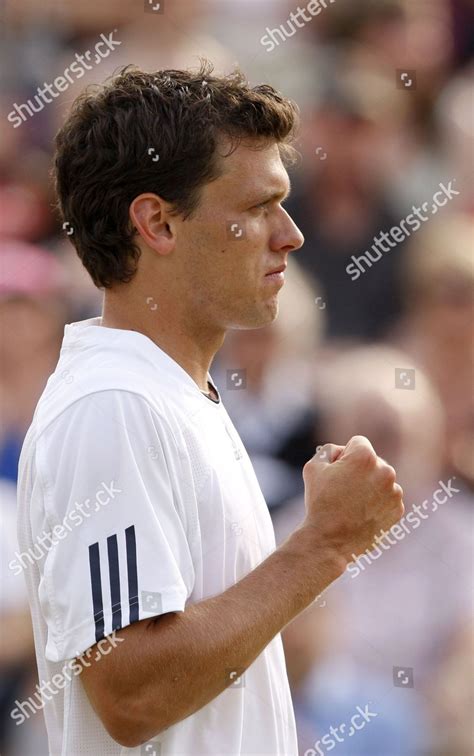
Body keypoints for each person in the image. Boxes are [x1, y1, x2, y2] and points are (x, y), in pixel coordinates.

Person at [16, 61, 404, 755]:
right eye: (257, 208)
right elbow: (131, 694)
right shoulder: (116, 405)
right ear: (157, 222)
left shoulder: (165, 394)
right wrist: (325, 545)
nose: (291, 234)